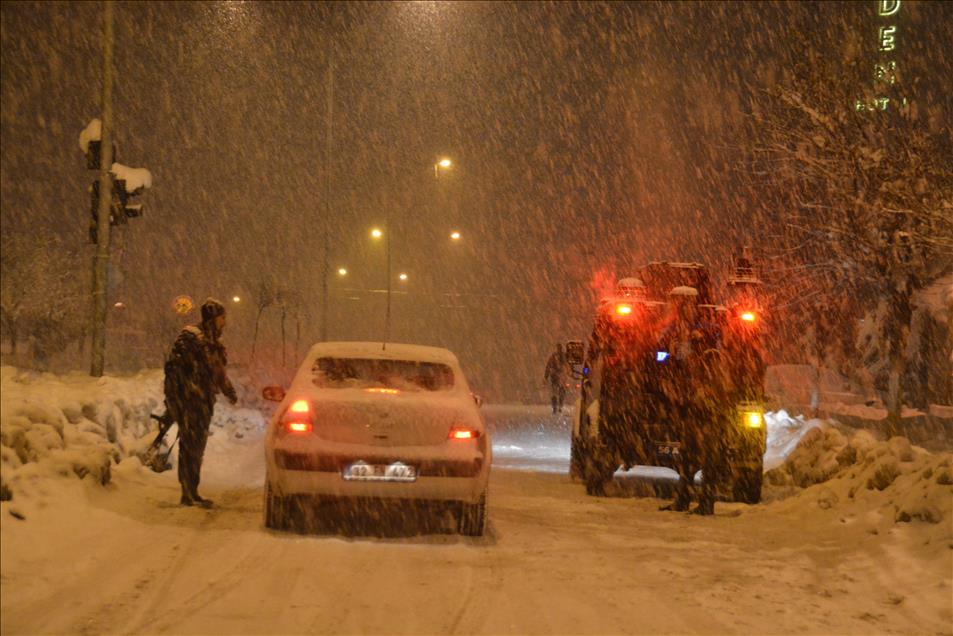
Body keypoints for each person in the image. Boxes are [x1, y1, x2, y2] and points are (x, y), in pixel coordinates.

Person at [163, 298, 237, 508]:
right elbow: (177, 371)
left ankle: (192, 490)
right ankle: (187, 491)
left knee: (197, 445)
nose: (225, 323)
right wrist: (182, 396)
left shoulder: (211, 341)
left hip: (203, 401)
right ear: (213, 318)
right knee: (190, 445)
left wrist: (228, 390)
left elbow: (216, 371)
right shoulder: (191, 338)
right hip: (190, 401)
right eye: (222, 318)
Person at [544, 343, 569, 415]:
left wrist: (546, 376)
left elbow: (548, 366)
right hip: (559, 376)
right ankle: (558, 406)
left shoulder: (554, 356)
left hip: (555, 376)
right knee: (559, 392)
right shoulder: (563, 356)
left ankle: (556, 407)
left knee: (555, 392)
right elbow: (548, 366)